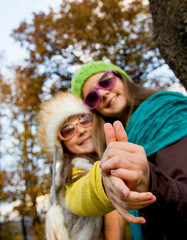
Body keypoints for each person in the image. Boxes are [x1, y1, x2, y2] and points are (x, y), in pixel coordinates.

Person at [71, 61, 187, 240]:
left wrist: (151, 182)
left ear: (120, 77)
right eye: (92, 97)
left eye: (105, 81)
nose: (103, 93)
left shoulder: (166, 110)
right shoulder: (118, 144)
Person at [37, 91, 156, 240]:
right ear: (62, 145)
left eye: (83, 119)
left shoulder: (121, 146)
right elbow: (78, 196)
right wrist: (104, 184)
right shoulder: (70, 173)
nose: (80, 130)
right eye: (67, 130)